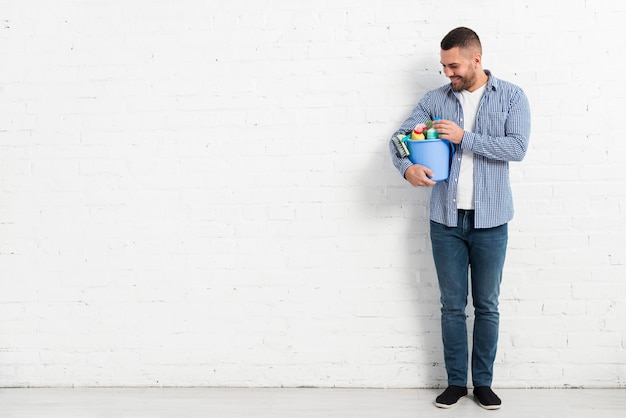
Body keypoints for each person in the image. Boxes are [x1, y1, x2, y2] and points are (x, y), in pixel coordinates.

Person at [389, 27, 531, 410]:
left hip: (492, 220)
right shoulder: (435, 99)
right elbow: (398, 138)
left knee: (487, 305)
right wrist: (406, 168)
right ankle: (456, 382)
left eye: (454, 66)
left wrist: (463, 137)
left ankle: (482, 383)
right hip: (445, 221)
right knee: (452, 305)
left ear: (476, 60)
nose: (448, 73)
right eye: (444, 66)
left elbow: (517, 148)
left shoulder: (512, 97)